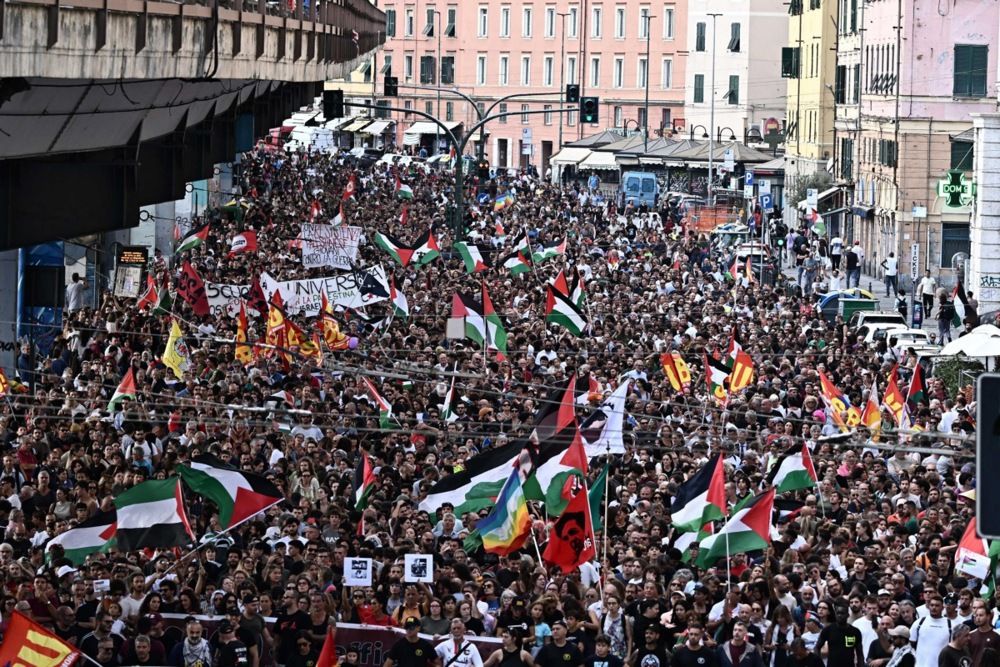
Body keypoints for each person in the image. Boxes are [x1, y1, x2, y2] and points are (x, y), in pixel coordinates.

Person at [909, 596, 952, 667]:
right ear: (929, 606)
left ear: (942, 608)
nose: (934, 607)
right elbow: (910, 642)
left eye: (937, 605)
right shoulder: (920, 622)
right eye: (932, 605)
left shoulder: (950, 624)